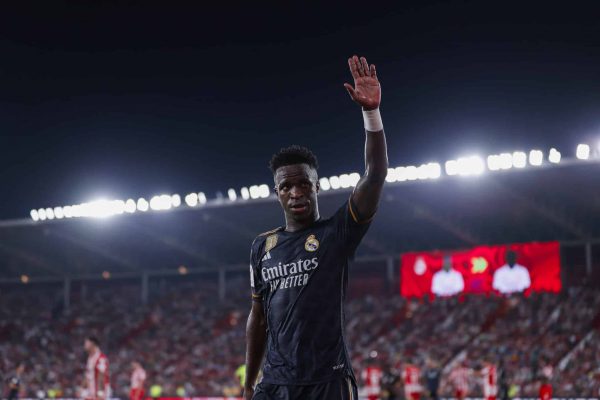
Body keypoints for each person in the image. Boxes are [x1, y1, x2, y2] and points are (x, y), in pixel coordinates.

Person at [243, 55, 388, 400]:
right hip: (275, 385)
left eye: (304, 184)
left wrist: (371, 114)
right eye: (286, 187)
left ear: (316, 185)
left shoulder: (336, 233)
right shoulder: (262, 247)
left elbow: (375, 175)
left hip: (327, 382)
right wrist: (249, 383)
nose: (296, 193)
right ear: (277, 193)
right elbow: (258, 318)